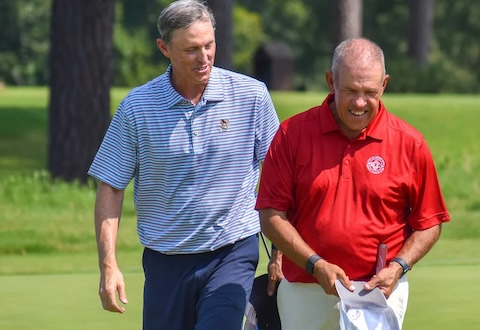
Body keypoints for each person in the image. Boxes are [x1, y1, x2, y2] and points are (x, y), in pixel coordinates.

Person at [88, 1, 279, 329]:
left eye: (209, 45)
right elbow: (111, 185)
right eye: (191, 49)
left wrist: (280, 251)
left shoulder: (252, 96)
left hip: (232, 251)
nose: (204, 58)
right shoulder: (137, 107)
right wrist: (109, 265)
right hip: (166, 262)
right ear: (164, 48)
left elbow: (281, 176)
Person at [255, 37, 451, 330]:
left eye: (370, 92)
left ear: (384, 85)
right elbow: (270, 215)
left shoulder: (409, 143)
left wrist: (399, 266)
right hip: (306, 287)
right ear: (331, 81)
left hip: (378, 291)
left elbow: (429, 222)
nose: (360, 103)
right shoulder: (291, 135)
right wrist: (315, 263)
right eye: (350, 91)